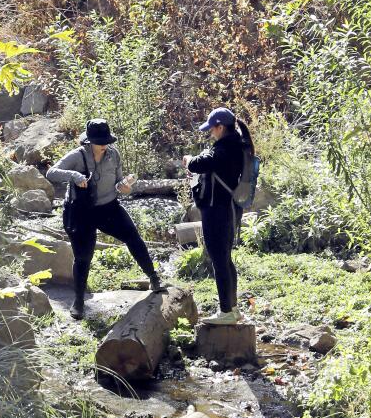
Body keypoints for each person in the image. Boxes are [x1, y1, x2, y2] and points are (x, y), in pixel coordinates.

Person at [51, 119, 162, 320]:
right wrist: (75, 175)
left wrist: (125, 187)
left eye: (106, 140)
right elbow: (52, 172)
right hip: (81, 212)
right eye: (100, 141)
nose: (104, 144)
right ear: (89, 141)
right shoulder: (78, 156)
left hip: (109, 208)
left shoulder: (114, 154)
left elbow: (119, 183)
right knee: (83, 257)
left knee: (134, 238)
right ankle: (78, 301)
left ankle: (154, 279)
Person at [185, 106, 255, 324]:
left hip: (218, 210)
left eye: (212, 129)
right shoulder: (237, 145)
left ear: (220, 127)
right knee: (225, 259)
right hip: (231, 208)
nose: (210, 133)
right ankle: (232, 309)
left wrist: (189, 160)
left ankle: (226, 312)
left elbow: (198, 164)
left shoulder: (224, 149)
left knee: (219, 260)